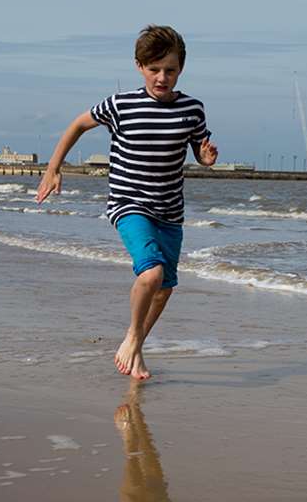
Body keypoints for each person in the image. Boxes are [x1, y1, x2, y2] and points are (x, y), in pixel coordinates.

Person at [35, 25, 218, 380]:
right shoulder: (121, 104)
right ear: (139, 66)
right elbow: (77, 125)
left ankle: (135, 346)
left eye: (170, 70)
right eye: (154, 69)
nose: (162, 77)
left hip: (170, 211)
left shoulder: (192, 109)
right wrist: (53, 168)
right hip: (128, 204)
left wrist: (207, 157)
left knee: (165, 289)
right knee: (151, 272)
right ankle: (133, 337)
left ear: (181, 69)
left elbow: (199, 150)